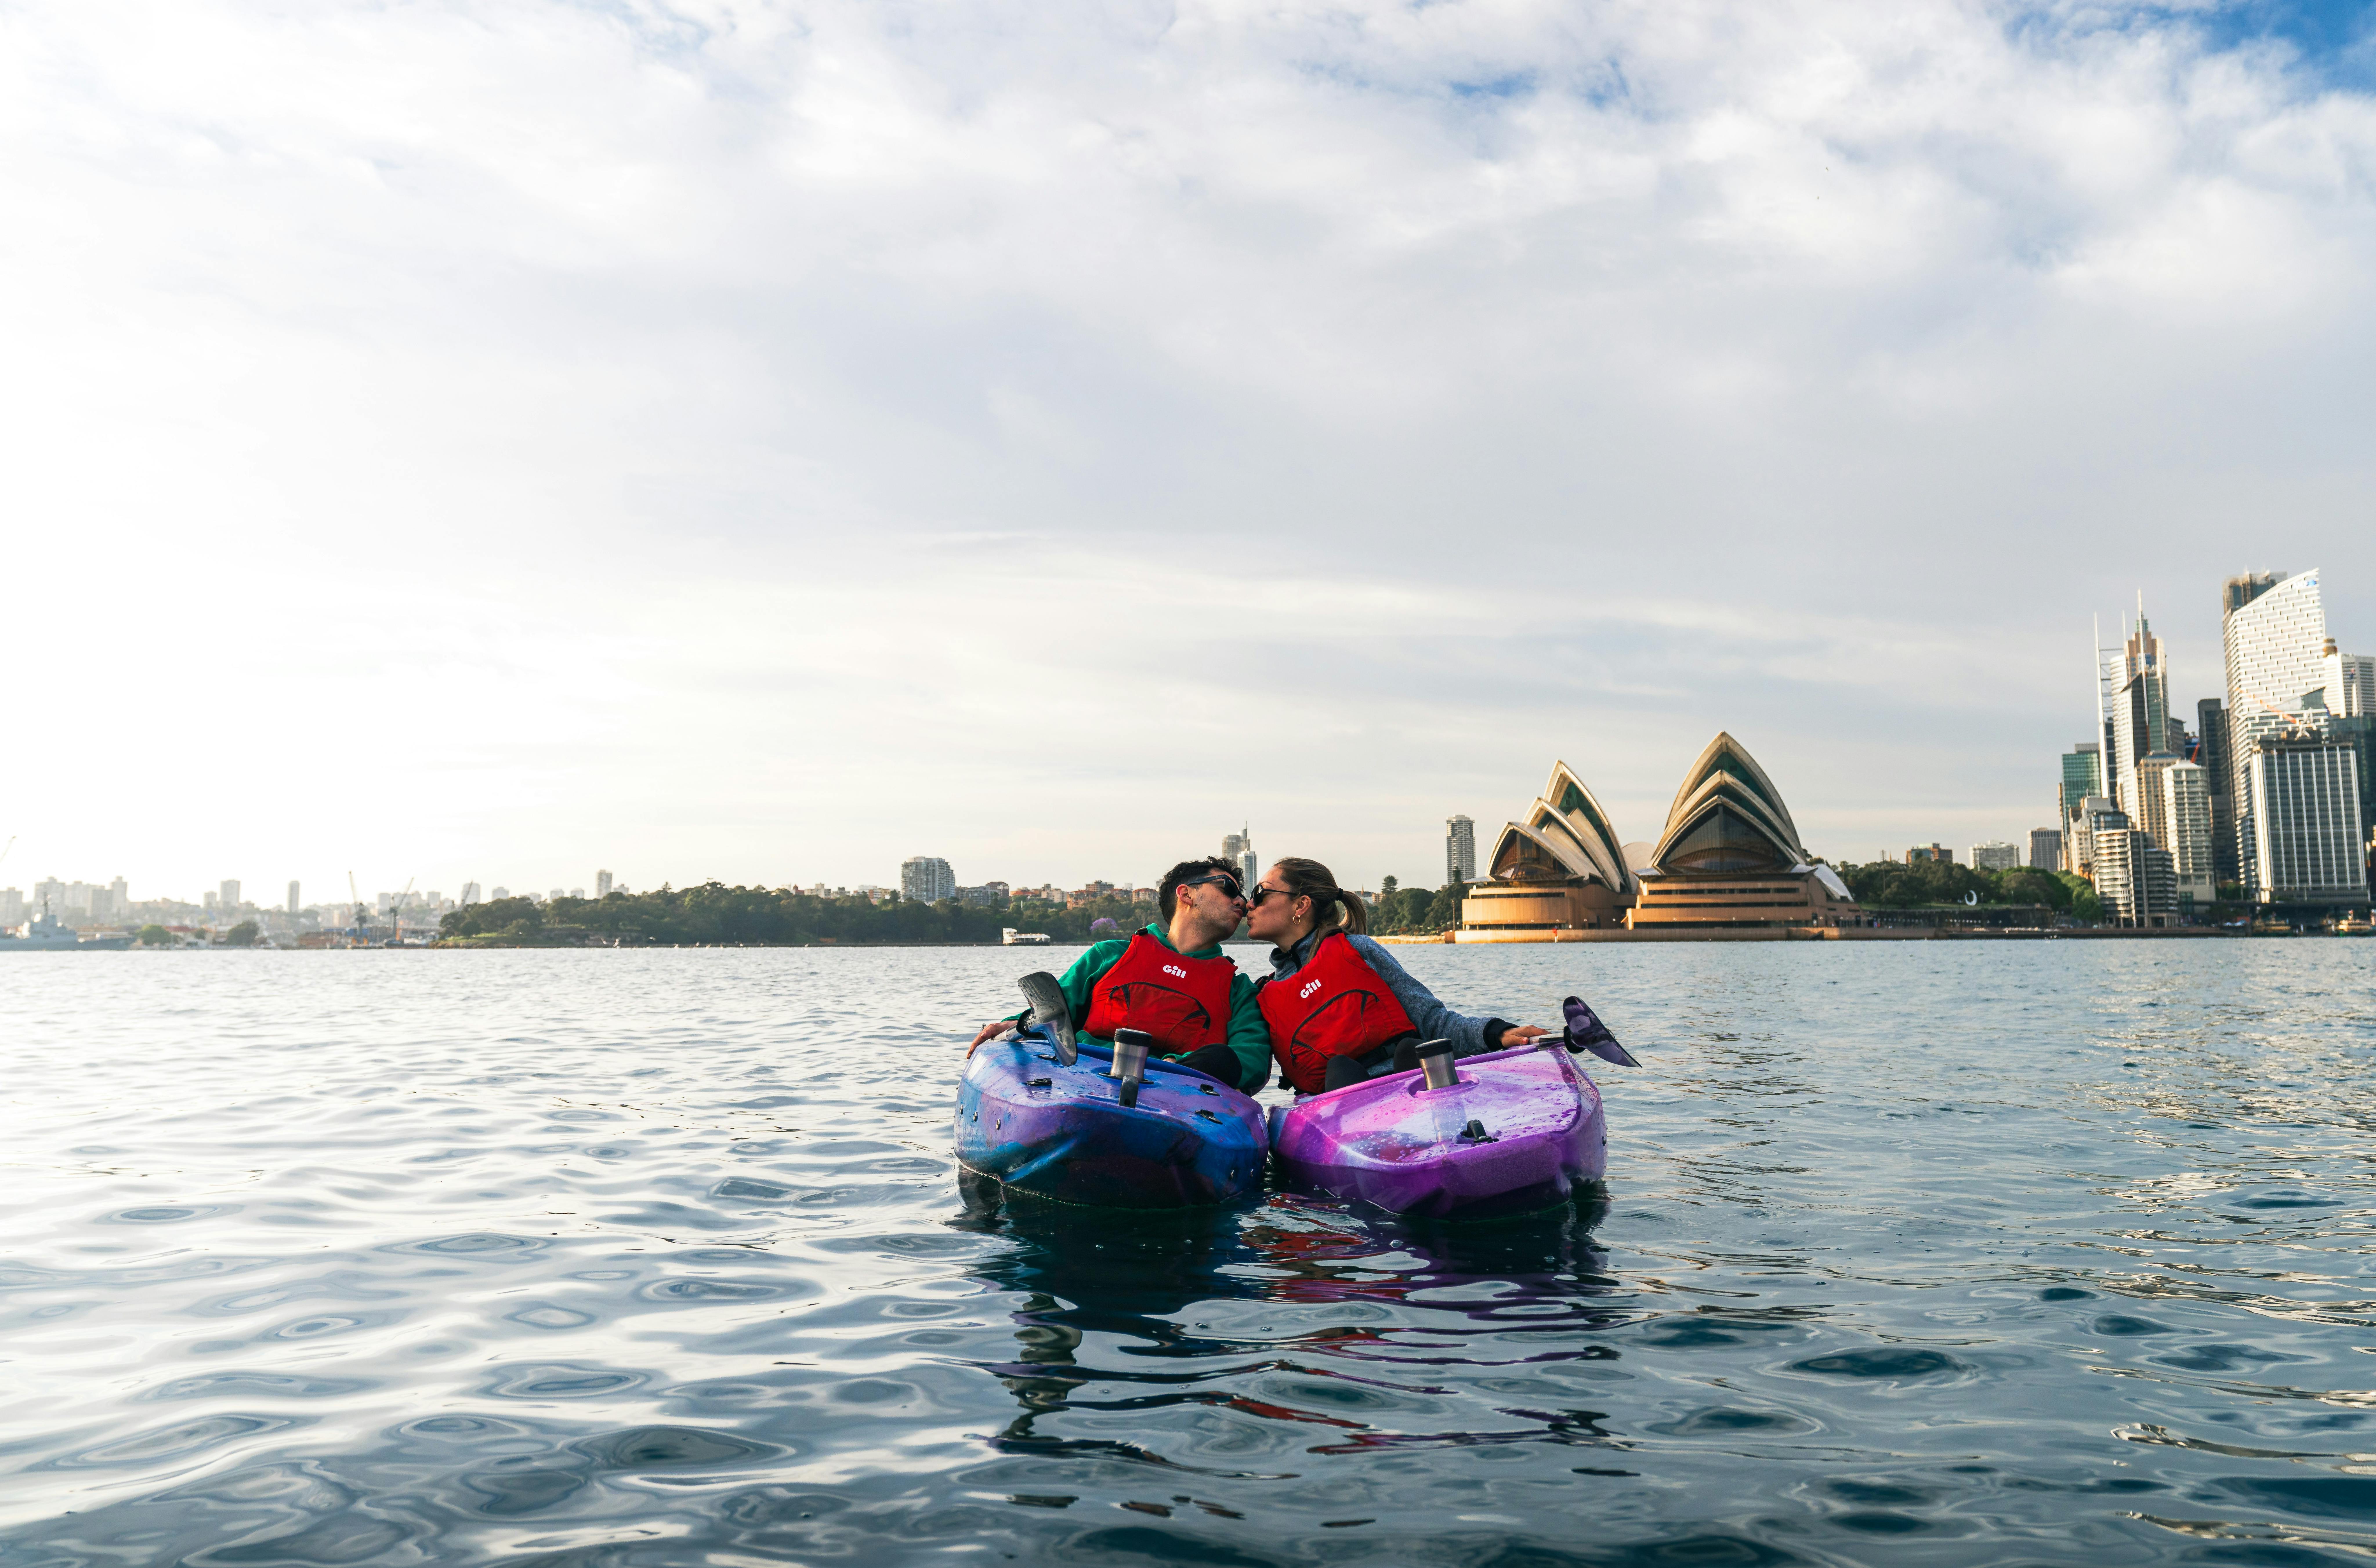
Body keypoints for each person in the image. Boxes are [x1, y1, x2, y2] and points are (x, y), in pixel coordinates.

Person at [1245, 856, 1551, 1095]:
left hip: (1416, 1082)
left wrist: (1496, 1033)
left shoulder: (1357, 950)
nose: (1249, 904)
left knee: (1411, 1049)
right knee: (1339, 1069)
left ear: (1301, 905)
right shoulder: (1264, 996)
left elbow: (1433, 1021)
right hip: (1341, 1107)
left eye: (1260, 893)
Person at [967, 858, 1271, 1092]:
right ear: (1186, 894)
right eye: (1228, 889)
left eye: (1241, 896)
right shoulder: (1110, 955)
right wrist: (1016, 1022)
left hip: (1182, 1094)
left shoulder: (1239, 990)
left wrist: (1172, 1067)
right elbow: (1058, 1011)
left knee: (1220, 1057)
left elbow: (1252, 1059)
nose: (1242, 902)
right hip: (1087, 1080)